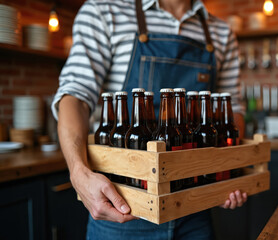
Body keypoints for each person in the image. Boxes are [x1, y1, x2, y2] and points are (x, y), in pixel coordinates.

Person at [52, 0, 247, 239]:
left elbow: (231, 108)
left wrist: (226, 171)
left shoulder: (221, 31)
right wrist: (78, 172)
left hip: (194, 204)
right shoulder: (103, 10)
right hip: (123, 209)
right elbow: (76, 97)